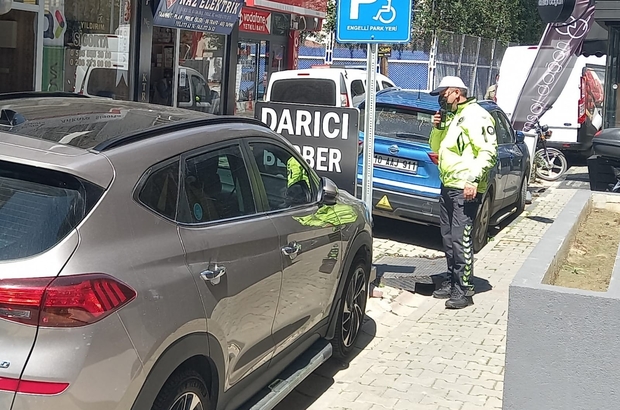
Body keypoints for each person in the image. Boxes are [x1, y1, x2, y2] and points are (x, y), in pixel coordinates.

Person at [429, 76, 498, 309]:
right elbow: (436, 148)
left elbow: (488, 151)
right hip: (448, 184)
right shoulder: (454, 116)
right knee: (448, 237)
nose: (441, 99)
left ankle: (464, 289)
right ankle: (451, 281)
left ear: (457, 92)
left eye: (443, 94)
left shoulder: (476, 115)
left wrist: (473, 180)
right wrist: (438, 127)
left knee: (461, 239)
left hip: (465, 188)